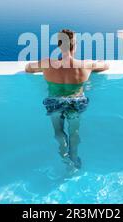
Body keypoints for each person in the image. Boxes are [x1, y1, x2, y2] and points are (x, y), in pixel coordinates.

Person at [25, 29, 109, 168]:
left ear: (59, 45)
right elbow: (105, 65)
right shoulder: (86, 65)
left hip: (55, 102)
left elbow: (28, 68)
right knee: (74, 132)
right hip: (76, 102)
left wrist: (45, 68)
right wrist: (97, 62)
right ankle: (74, 157)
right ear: (74, 45)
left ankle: (64, 156)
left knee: (58, 131)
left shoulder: (47, 63)